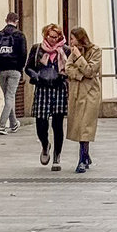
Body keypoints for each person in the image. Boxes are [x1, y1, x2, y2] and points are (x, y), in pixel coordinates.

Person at [26, 24, 68, 172]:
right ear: (45, 36)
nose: (53, 39)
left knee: (57, 125)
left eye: (56, 37)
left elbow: (71, 68)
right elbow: (28, 67)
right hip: (42, 88)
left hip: (58, 89)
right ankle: (45, 144)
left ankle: (57, 156)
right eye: (50, 36)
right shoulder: (37, 49)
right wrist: (35, 76)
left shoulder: (65, 51)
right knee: (41, 123)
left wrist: (63, 76)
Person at [66, 28, 102, 175]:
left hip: (90, 93)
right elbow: (67, 69)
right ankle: (86, 155)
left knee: (85, 126)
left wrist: (80, 58)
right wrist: (79, 75)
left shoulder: (95, 50)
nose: (70, 42)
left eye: (73, 39)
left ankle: (82, 159)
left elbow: (91, 71)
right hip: (77, 91)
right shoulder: (72, 52)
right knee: (79, 125)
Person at [0, 11, 28, 134]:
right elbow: (23, 54)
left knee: (7, 97)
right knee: (10, 97)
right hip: (15, 70)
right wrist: (19, 67)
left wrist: (0, 63)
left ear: (6, 20)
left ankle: (14, 123)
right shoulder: (20, 36)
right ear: (17, 21)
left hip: (1, 70)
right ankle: (1, 125)